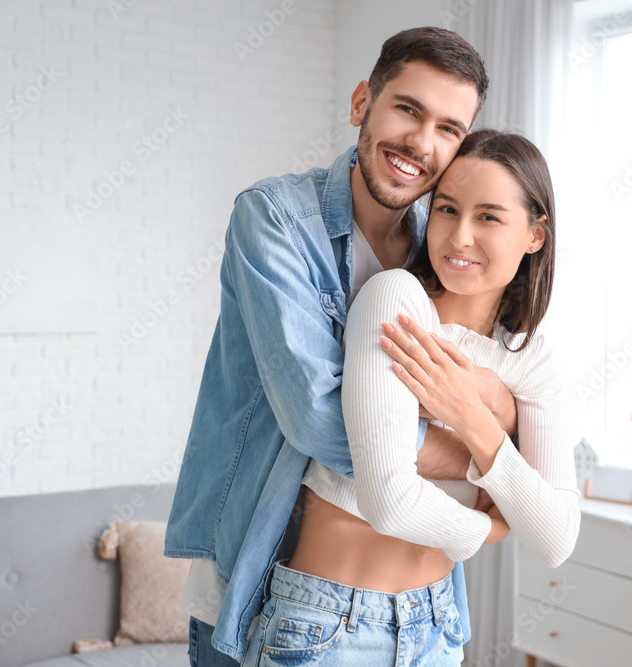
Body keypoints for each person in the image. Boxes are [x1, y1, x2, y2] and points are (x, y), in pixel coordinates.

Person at [163, 28, 515, 667]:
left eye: (449, 129)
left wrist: (495, 439)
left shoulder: (441, 254)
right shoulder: (273, 219)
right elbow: (317, 420)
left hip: (420, 609)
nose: (422, 143)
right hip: (268, 589)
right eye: (408, 109)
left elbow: (513, 390)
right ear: (362, 104)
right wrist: (480, 457)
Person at [242, 130, 581, 666]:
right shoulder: (397, 299)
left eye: (488, 217)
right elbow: (388, 498)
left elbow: (556, 537)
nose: (459, 236)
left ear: (535, 235)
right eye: (447, 209)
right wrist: (489, 528)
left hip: (439, 626)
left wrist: (473, 415)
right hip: (330, 625)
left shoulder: (532, 360)